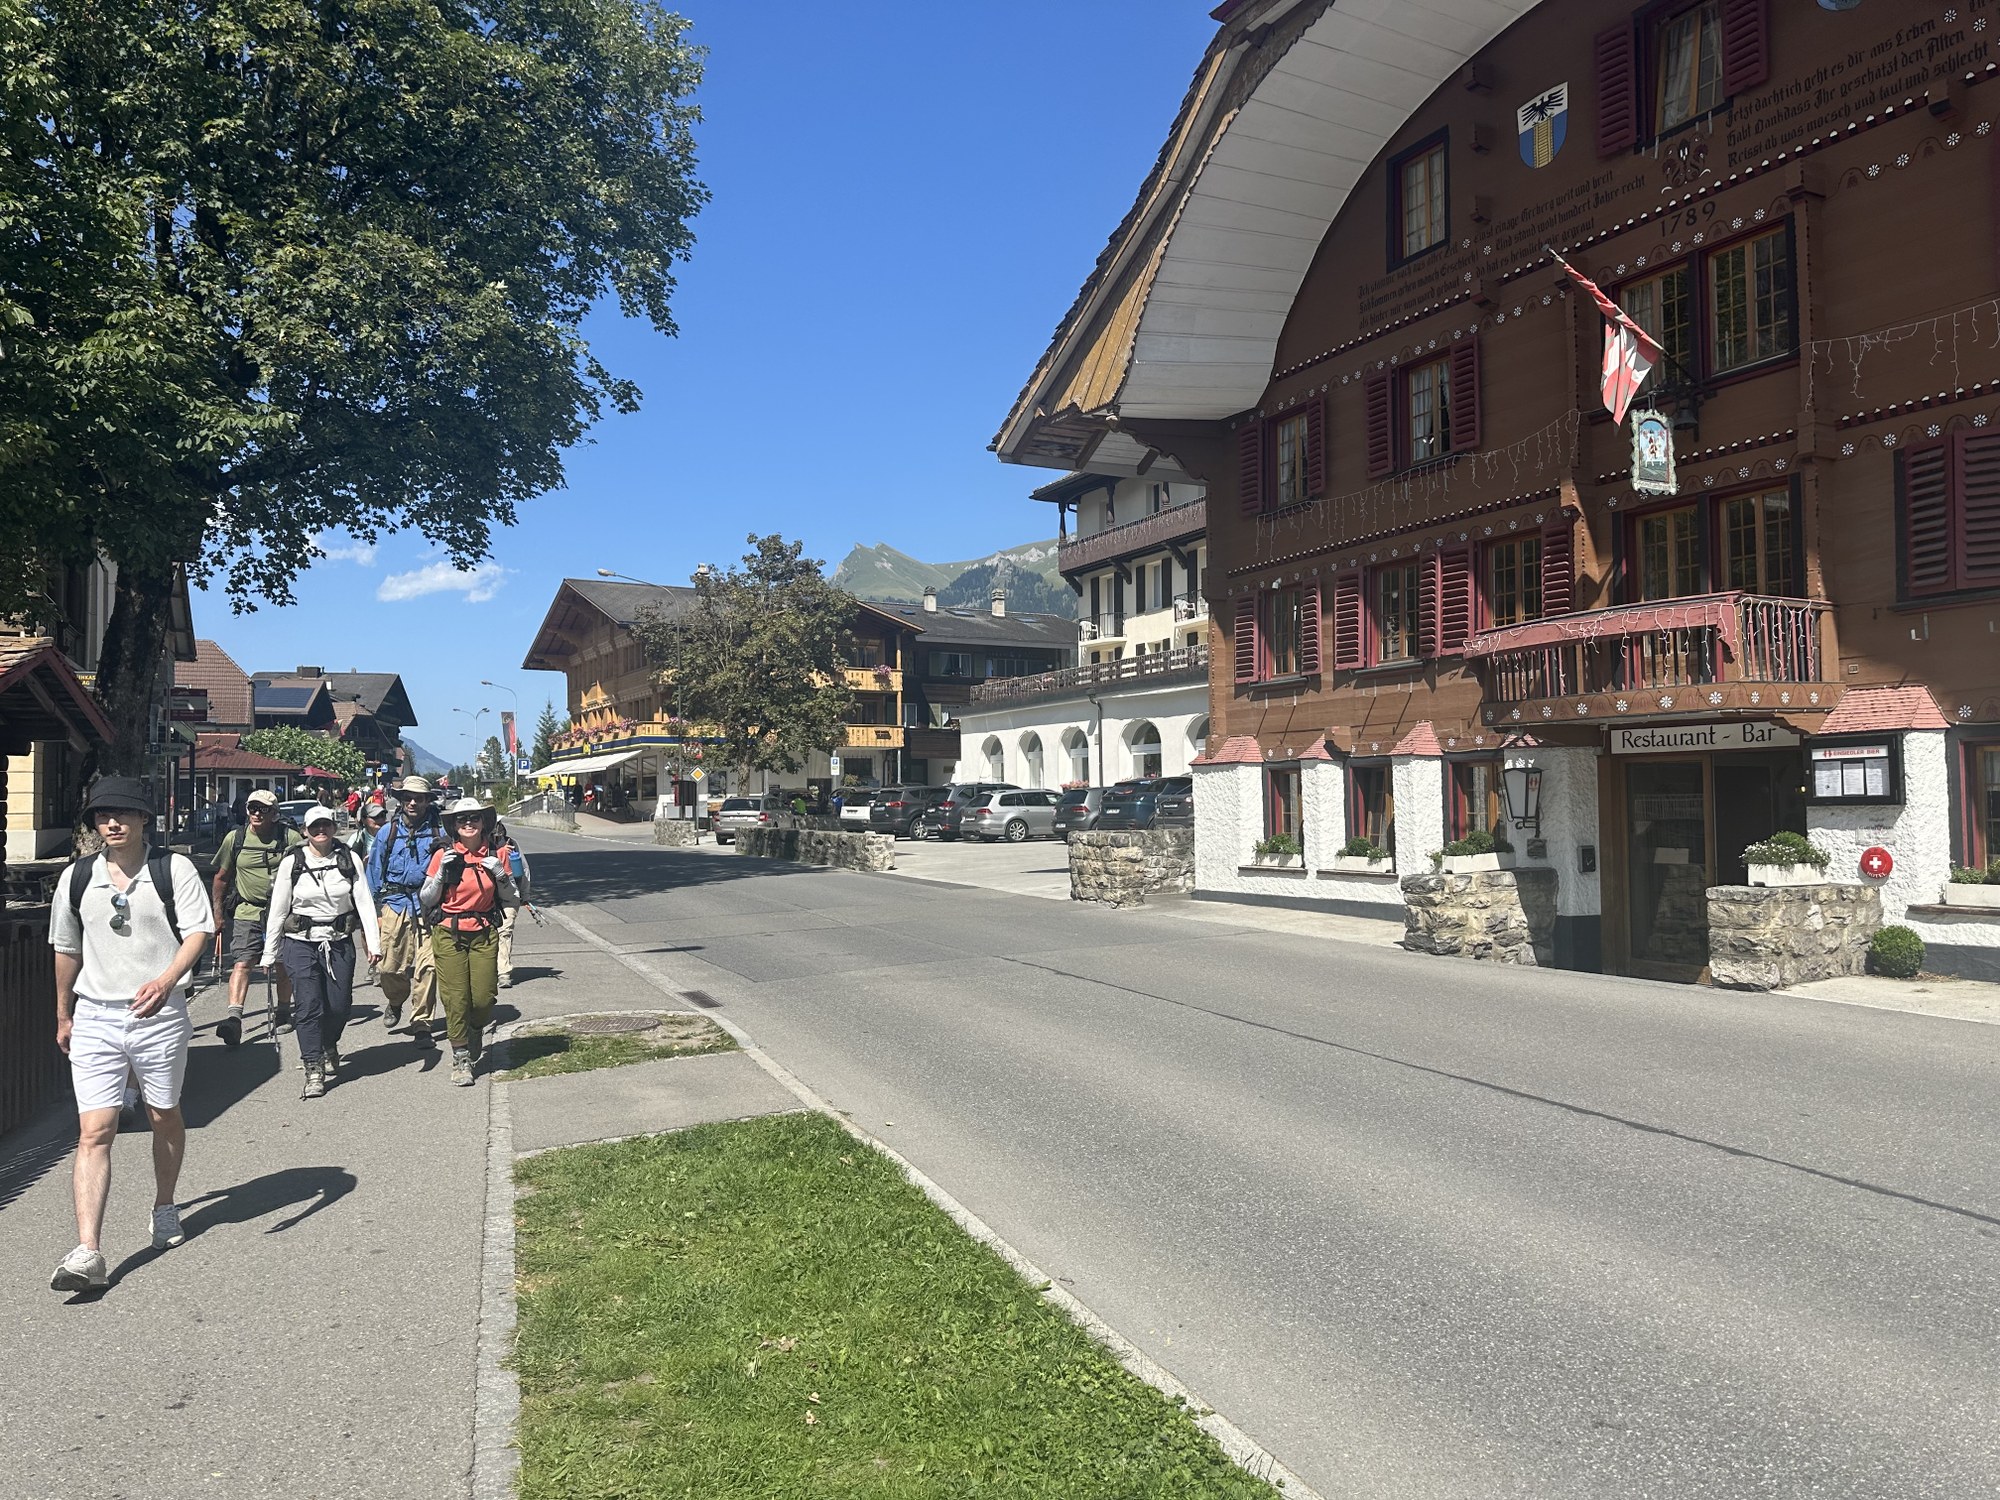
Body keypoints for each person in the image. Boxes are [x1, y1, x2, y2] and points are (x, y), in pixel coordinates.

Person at [48, 777, 215, 1292]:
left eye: (122, 813)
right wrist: (64, 1014)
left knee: (164, 1115)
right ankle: (87, 1252)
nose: (112, 822)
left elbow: (199, 932)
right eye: (102, 815)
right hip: (96, 1016)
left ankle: (164, 1205)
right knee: (94, 1131)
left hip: (158, 1016)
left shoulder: (172, 869)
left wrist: (166, 982)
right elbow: (66, 949)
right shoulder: (77, 877)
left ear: (144, 818)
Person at [263, 806, 381, 1098]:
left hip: (338, 941)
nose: (320, 830)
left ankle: (329, 1043)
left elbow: (364, 902)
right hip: (300, 942)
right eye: (314, 826)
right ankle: (313, 1066)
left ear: (333, 828)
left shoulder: (349, 859)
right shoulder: (292, 862)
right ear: (305, 831)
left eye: (325, 825)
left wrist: (374, 944)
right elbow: (278, 909)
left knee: (339, 1006)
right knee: (308, 1005)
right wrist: (269, 952)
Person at [421, 799, 517, 1085]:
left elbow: (512, 897)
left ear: (483, 822)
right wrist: (440, 875)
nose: (468, 823)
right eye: (462, 819)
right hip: (449, 932)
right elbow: (426, 898)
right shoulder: (444, 854)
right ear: (454, 825)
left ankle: (475, 1029)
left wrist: (500, 875)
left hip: (484, 932)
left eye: (474, 818)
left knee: (484, 997)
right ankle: (461, 1056)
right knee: (455, 998)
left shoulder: (498, 853)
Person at [210, 788, 303, 1048]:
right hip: (247, 910)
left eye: (263, 809)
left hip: (283, 912)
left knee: (282, 963)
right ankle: (234, 1019)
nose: (257, 813)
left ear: (274, 813)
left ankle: (283, 1011)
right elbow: (221, 878)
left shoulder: (290, 837)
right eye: (253, 808)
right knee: (242, 962)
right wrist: (217, 915)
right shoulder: (235, 838)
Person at [368, 776, 445, 1044]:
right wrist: (374, 911)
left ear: (427, 801)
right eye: (408, 798)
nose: (413, 802)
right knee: (389, 968)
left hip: (428, 907)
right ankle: (396, 1000)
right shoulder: (387, 833)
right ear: (401, 801)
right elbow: (373, 871)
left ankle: (422, 1023)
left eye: (419, 798)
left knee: (429, 967)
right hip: (394, 904)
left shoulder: (439, 833)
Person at [491, 819, 530, 988]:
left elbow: (524, 869)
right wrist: (499, 853)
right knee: (488, 934)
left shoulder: (511, 843)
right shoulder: (477, 843)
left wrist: (525, 895)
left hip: (509, 896)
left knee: (504, 932)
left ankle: (503, 972)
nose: (496, 828)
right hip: (485, 897)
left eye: (498, 824)